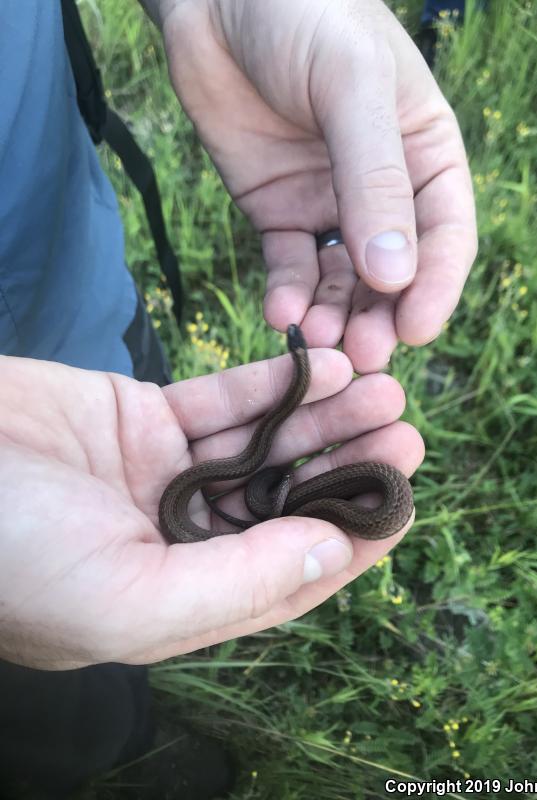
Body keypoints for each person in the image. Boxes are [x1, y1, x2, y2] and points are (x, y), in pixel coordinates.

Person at [0, 0, 477, 797]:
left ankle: (122, 738)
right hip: (72, 397)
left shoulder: (214, 458)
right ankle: (84, 763)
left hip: (81, 329)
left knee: (105, 646)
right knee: (38, 703)